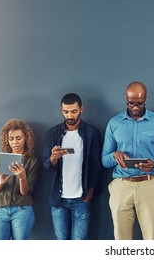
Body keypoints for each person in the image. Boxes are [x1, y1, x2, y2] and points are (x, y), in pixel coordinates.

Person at [102, 81, 154, 240]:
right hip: (121, 186)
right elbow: (104, 161)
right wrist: (114, 155)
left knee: (152, 239)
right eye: (131, 103)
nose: (135, 107)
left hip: (149, 185)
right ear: (125, 98)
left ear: (146, 99)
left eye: (139, 103)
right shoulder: (114, 123)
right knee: (122, 240)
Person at [43, 93, 102, 240]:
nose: (69, 115)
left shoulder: (92, 133)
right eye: (66, 111)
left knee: (79, 243)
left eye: (74, 111)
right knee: (61, 241)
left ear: (81, 109)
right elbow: (47, 165)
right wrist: (53, 158)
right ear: (61, 110)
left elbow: (96, 166)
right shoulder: (53, 133)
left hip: (82, 198)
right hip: (59, 199)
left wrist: (90, 193)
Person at [0, 119, 40, 240]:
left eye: (18, 138)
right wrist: (2, 182)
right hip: (1, 211)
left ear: (26, 138)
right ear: (7, 140)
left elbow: (25, 193)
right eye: (11, 139)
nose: (14, 142)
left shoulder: (32, 161)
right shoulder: (0, 158)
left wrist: (22, 178)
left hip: (22, 211)